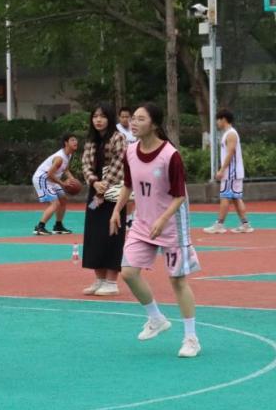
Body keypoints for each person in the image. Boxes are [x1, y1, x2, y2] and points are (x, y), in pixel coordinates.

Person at [109, 103, 201, 358]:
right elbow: (128, 185)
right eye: (133, 119)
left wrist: (163, 219)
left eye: (140, 119)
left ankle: (191, 338)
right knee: (128, 272)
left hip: (172, 225)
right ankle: (156, 318)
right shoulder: (130, 151)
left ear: (154, 124)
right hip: (143, 223)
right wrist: (117, 210)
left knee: (177, 281)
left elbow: (179, 196)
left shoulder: (170, 155)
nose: (133, 123)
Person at [79, 103, 127, 296]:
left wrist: (103, 185)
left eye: (102, 116)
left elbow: (120, 163)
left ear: (109, 118)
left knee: (112, 234)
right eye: (95, 116)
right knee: (94, 234)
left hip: (114, 190)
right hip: (95, 189)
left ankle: (111, 282)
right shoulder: (91, 140)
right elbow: (85, 164)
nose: (98, 120)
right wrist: (94, 182)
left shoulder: (118, 137)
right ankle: (99, 279)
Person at [203, 109, 253, 234]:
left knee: (225, 197)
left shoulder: (231, 134)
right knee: (236, 198)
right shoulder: (228, 134)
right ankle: (245, 224)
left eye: (218, 120)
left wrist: (221, 170)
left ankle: (219, 225)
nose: (217, 123)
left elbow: (230, 153)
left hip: (231, 172)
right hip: (233, 172)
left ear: (223, 119)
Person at [32, 134, 80, 235]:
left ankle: (58, 226)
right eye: (72, 140)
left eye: (76, 140)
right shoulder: (59, 158)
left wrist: (73, 180)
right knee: (55, 203)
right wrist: (63, 184)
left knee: (63, 199)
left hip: (52, 179)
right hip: (43, 179)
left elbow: (65, 170)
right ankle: (39, 227)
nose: (75, 142)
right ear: (66, 143)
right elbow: (49, 174)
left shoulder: (68, 155)